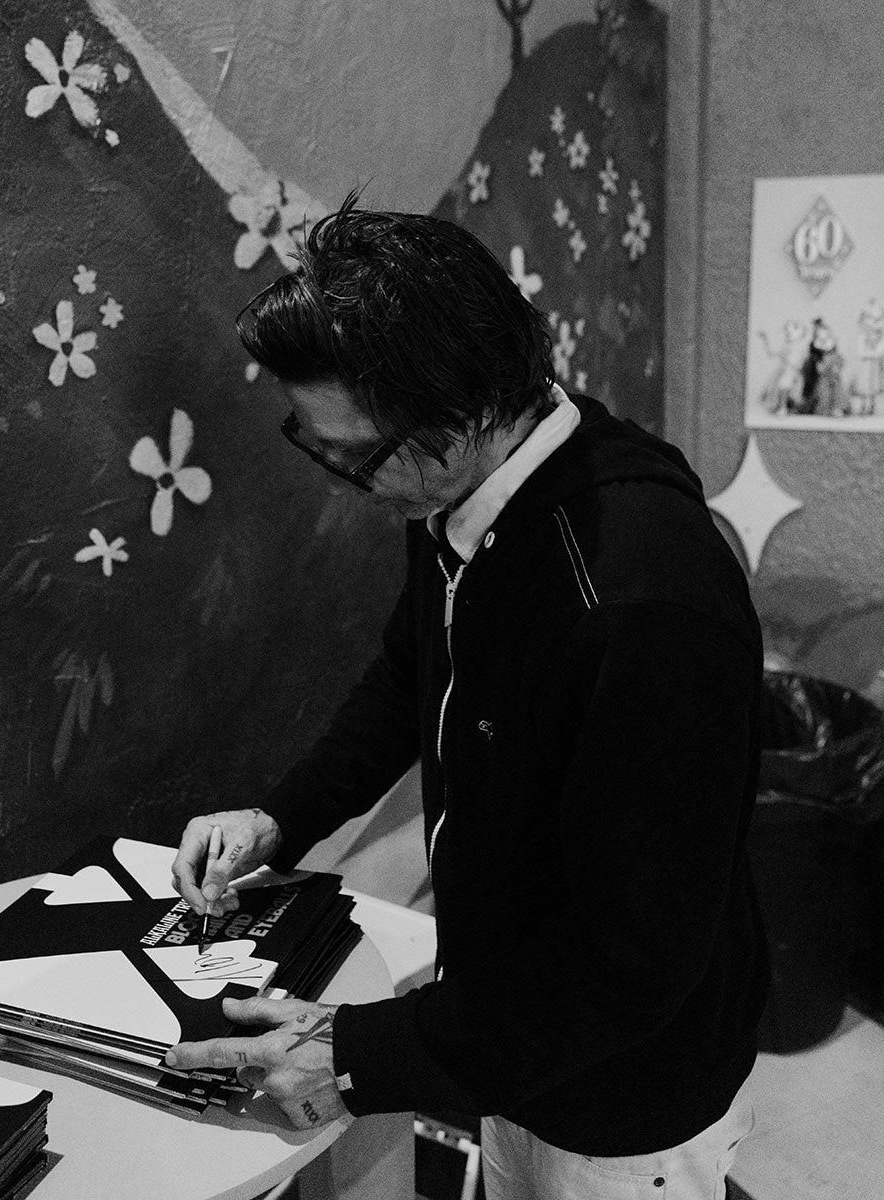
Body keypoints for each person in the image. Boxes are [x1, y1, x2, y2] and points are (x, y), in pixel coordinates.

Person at [167, 190, 771, 1199]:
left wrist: (356, 1055)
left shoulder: (642, 606)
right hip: (512, 1035)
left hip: (624, 1102)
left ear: (460, 417)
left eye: (352, 458)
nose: (341, 482)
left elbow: (630, 968)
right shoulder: (464, 493)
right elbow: (414, 671)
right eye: (314, 446)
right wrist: (282, 818)